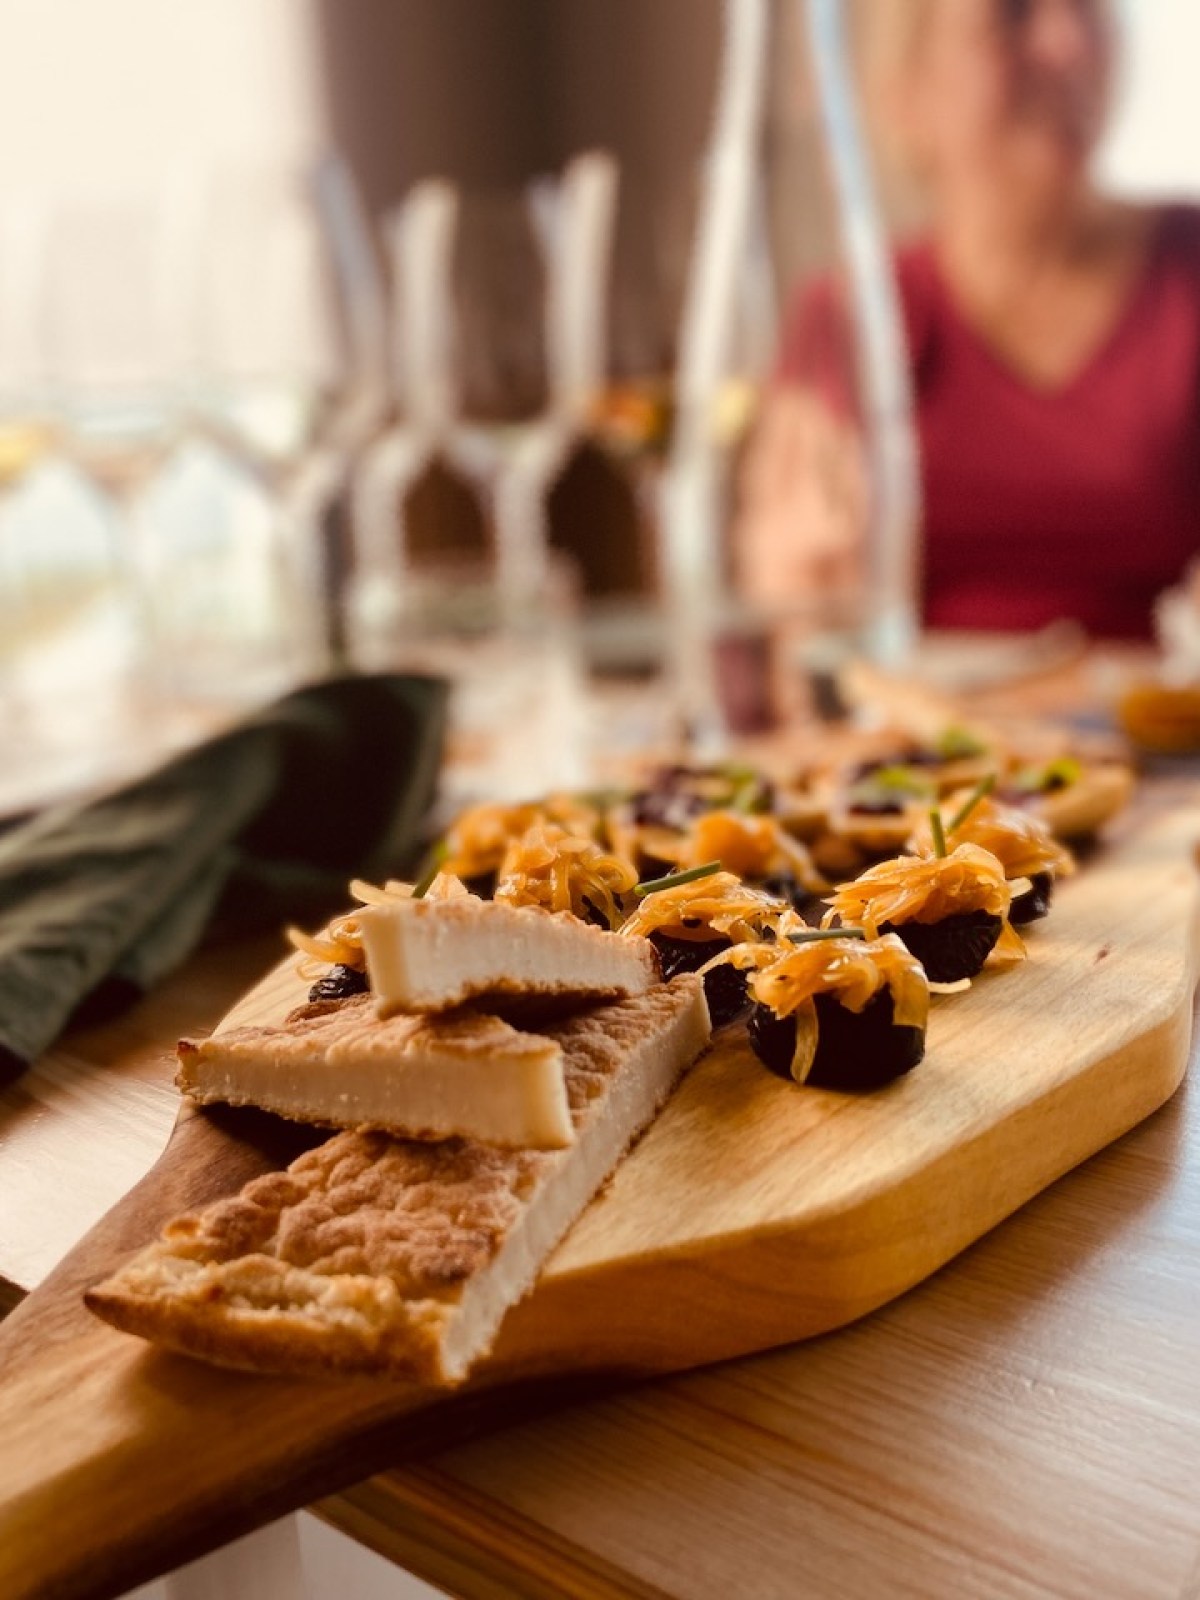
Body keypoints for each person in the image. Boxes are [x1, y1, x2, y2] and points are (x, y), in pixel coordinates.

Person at [735, 0, 1200, 641]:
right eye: (1012, 16)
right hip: (925, 730)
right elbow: (791, 629)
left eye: (1088, 9)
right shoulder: (849, 315)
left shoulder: (1187, 271)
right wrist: (796, 602)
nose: (1069, 43)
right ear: (907, 91)